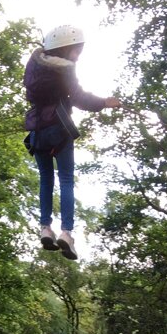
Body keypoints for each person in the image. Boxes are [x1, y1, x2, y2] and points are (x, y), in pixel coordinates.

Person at [23, 24, 121, 260]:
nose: (78, 56)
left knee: (46, 179)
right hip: (59, 129)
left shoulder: (34, 66)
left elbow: (30, 94)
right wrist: (104, 102)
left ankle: (45, 228)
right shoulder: (65, 69)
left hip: (37, 131)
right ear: (63, 47)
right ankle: (66, 233)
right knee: (66, 179)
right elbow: (79, 98)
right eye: (76, 50)